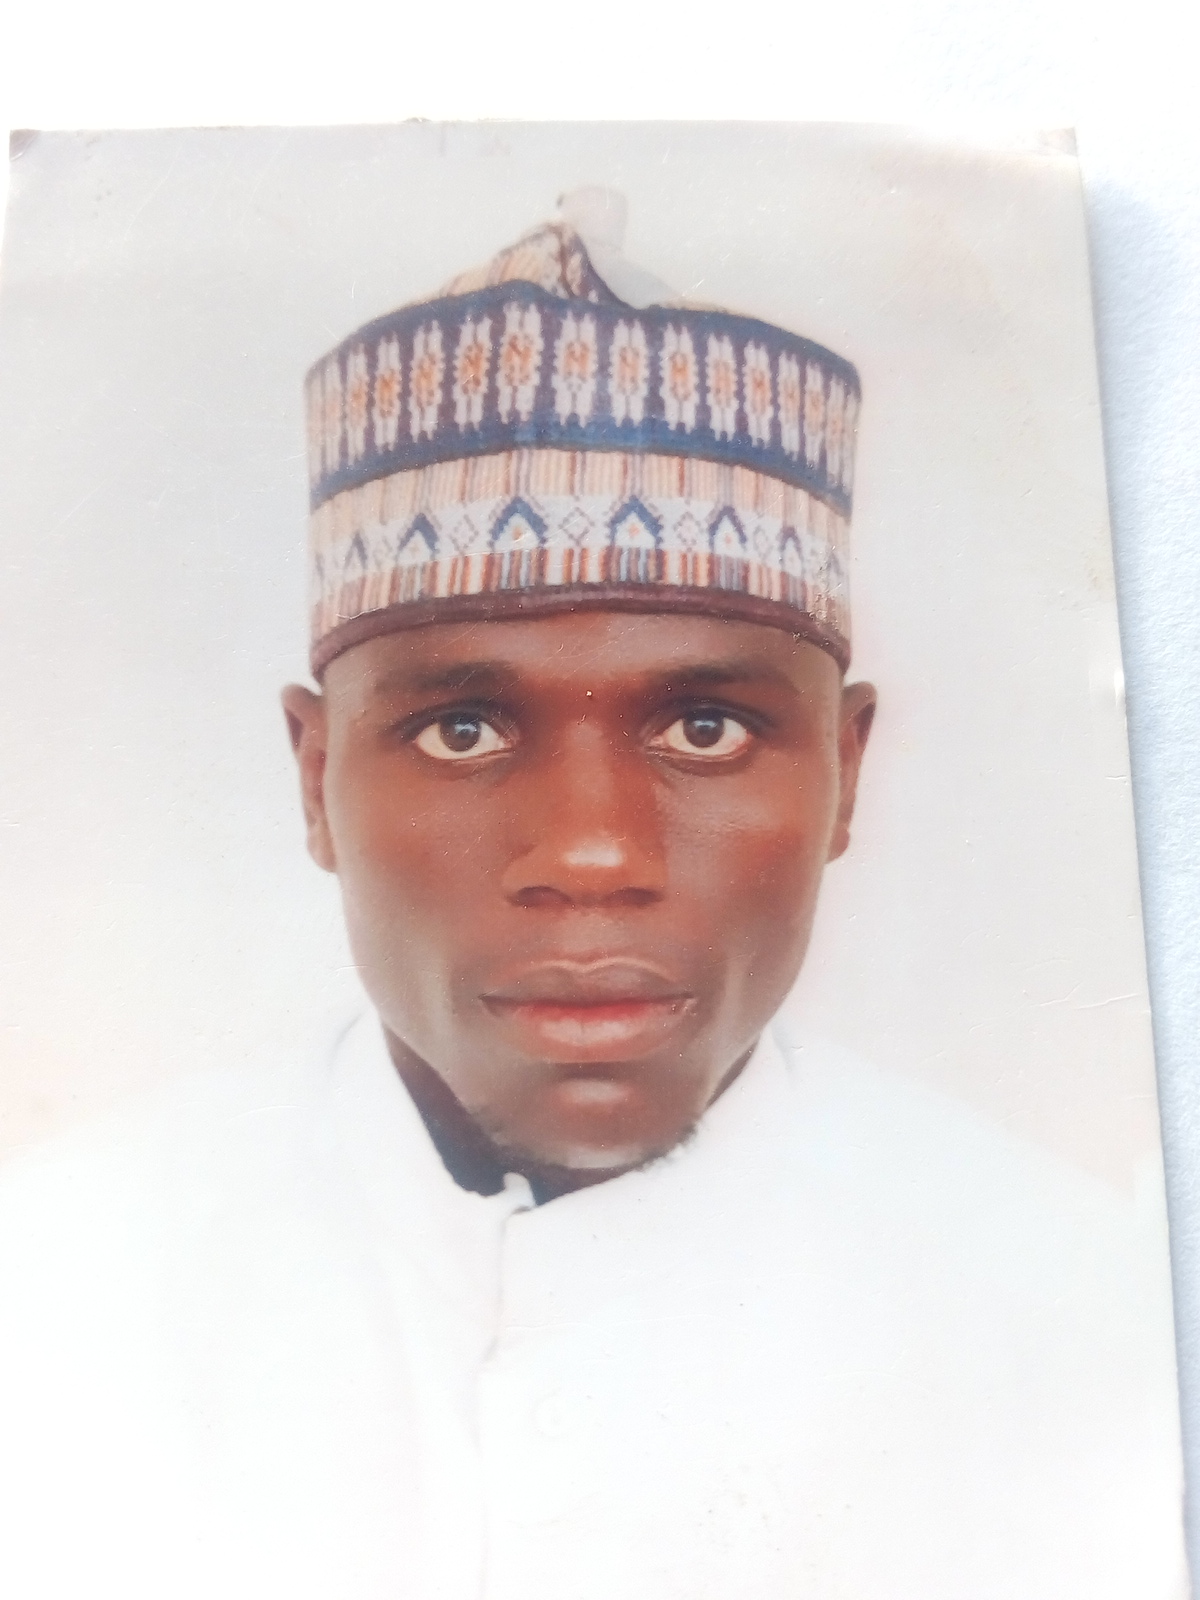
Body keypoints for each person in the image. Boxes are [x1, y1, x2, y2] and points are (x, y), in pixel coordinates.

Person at [0, 190, 1186, 1600]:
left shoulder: (1081, 1312)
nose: (592, 856)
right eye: (461, 729)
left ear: (846, 772)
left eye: (705, 728)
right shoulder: (55, 1286)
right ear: (315, 778)